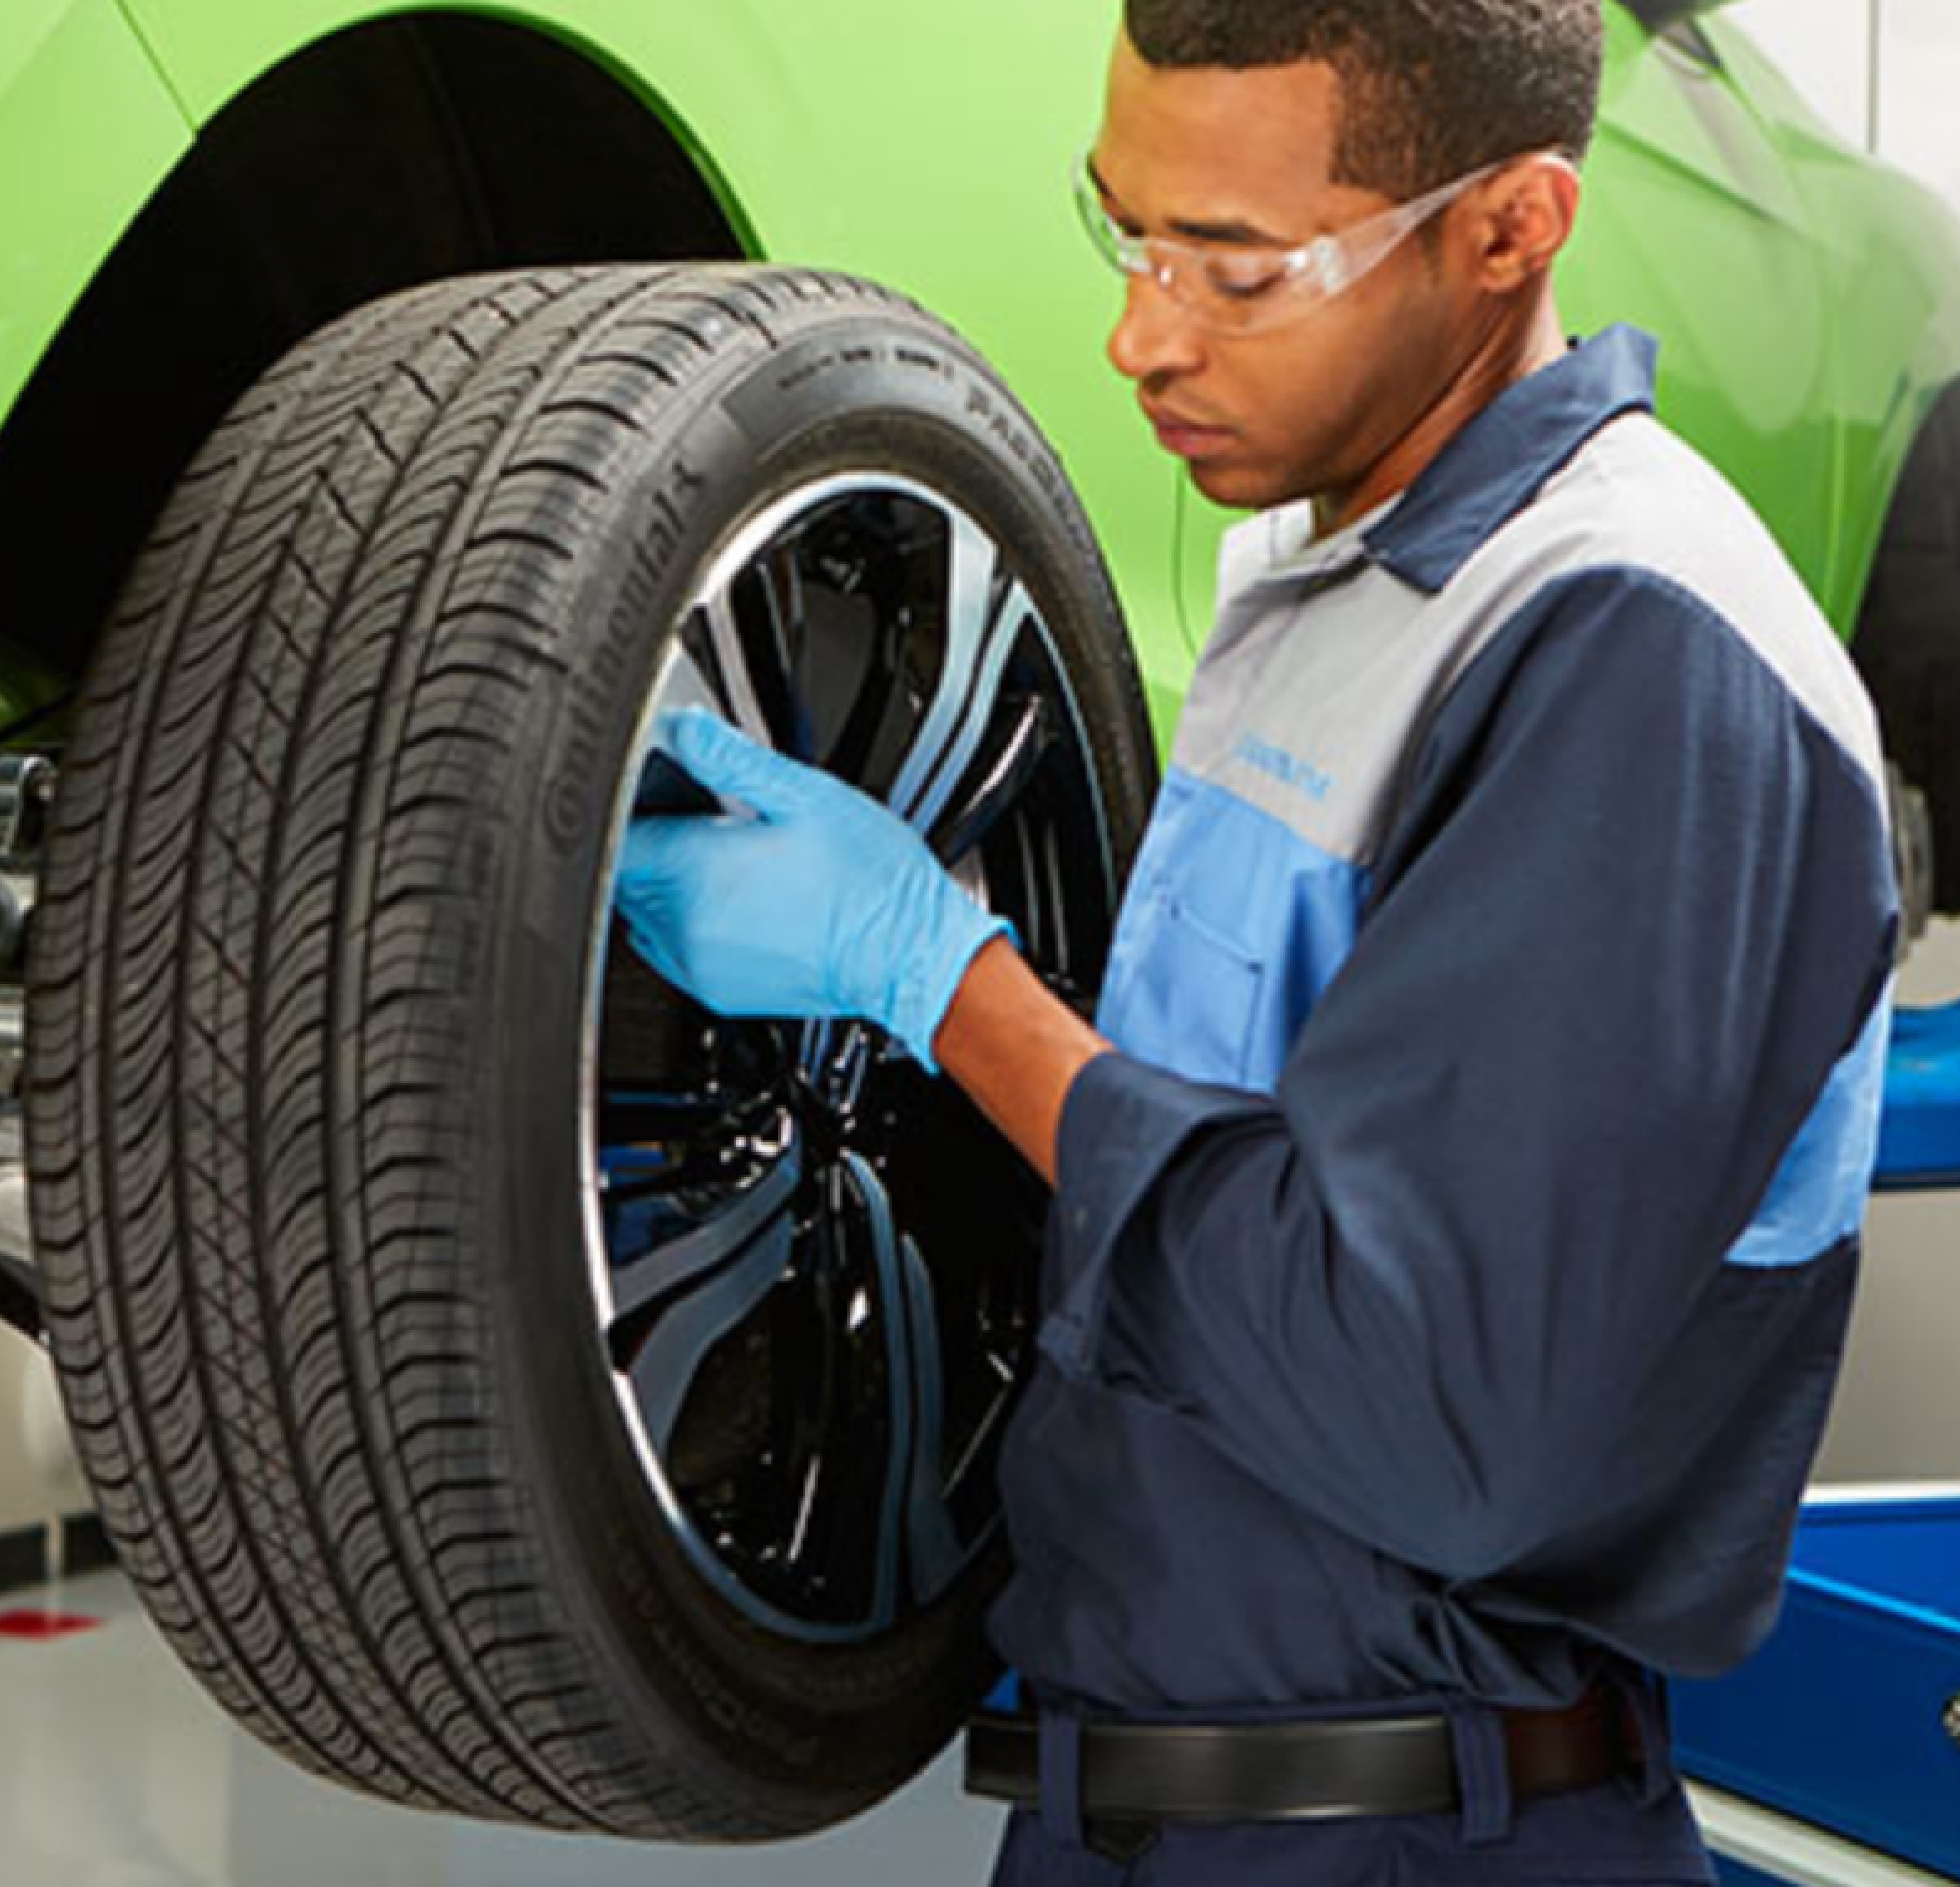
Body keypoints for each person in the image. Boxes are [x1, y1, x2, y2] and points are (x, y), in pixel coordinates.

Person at [611, 2, 1900, 1882]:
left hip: (1414, 1839)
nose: (1141, 334)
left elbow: (1431, 1407)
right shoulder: (1332, 581)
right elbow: (1212, 1153)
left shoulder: (1638, 657)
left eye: (1235, 268)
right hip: (1138, 1804)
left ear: (1510, 229)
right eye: (1126, 234)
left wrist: (943, 985)